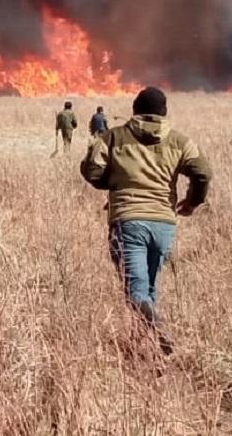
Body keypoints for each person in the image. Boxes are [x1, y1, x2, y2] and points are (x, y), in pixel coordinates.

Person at [79, 86, 212, 356]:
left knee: (135, 290)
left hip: (129, 221)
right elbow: (203, 174)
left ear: (135, 109)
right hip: (164, 223)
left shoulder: (114, 137)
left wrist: (114, 182)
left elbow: (92, 169)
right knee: (149, 285)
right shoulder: (179, 141)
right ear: (164, 112)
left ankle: (157, 331)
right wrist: (192, 202)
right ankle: (145, 346)